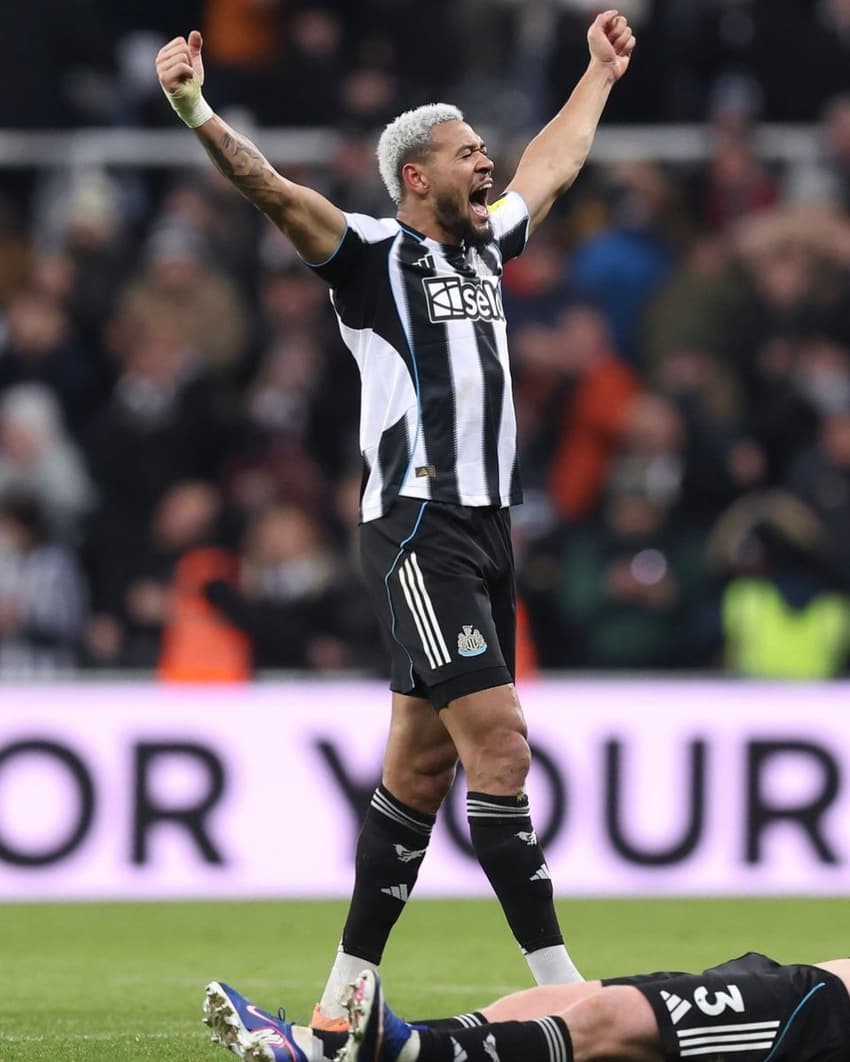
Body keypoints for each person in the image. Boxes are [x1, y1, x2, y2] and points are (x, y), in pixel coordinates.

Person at [156, 9, 636, 1024]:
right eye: (467, 153)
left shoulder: (488, 246)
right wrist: (197, 109)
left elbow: (551, 166)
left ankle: (339, 1007)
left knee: (417, 771)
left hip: (488, 527)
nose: (487, 162)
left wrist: (596, 75)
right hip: (419, 526)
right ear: (416, 176)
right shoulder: (371, 255)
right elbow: (271, 189)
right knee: (499, 747)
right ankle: (571, 1000)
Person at [201, 951, 850, 1062]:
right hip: (805, 983)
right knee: (557, 999)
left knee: (607, 1025)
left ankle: (403, 1052)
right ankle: (323, 1051)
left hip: (823, 1017)